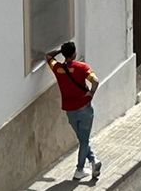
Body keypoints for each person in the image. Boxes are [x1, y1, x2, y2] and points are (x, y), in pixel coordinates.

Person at [45, 41, 102, 181]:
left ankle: (94, 161)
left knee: (82, 139)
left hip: (69, 110)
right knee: (84, 140)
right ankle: (79, 170)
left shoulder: (58, 69)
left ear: (65, 54)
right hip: (84, 108)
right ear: (75, 53)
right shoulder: (82, 67)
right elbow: (95, 81)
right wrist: (91, 94)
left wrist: (59, 51)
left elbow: (48, 57)